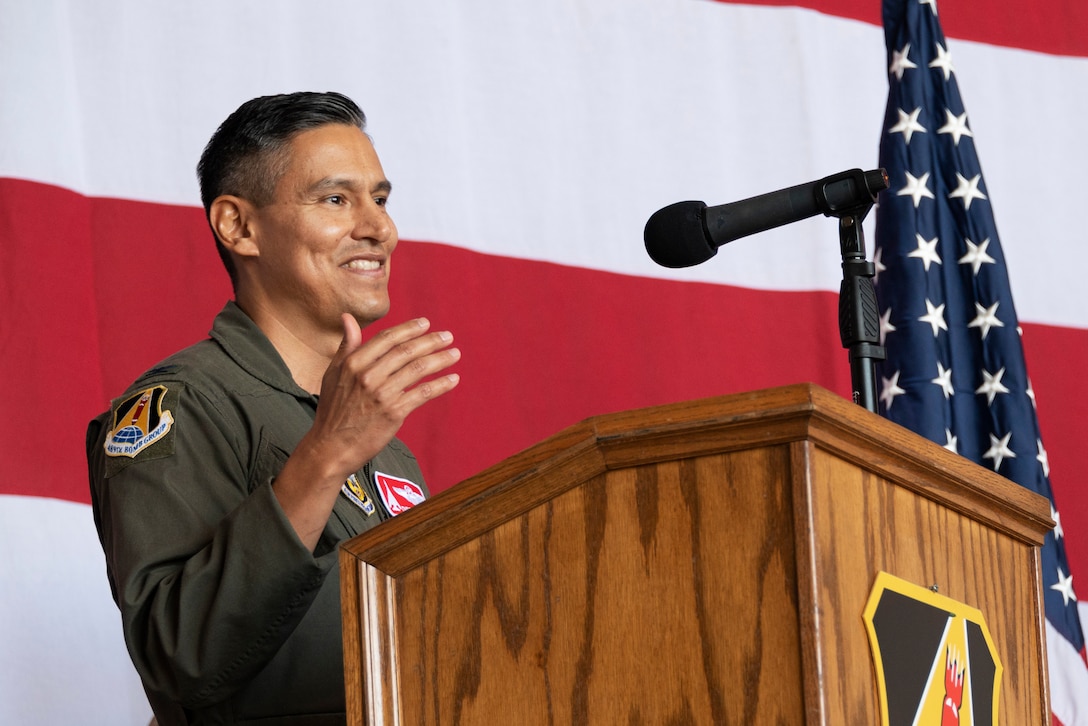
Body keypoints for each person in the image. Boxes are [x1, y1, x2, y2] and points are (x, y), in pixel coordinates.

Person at [86, 91, 460, 725]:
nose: (380, 228)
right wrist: (326, 455)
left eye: (380, 199)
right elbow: (180, 655)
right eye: (335, 199)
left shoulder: (382, 443)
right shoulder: (181, 405)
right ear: (239, 226)